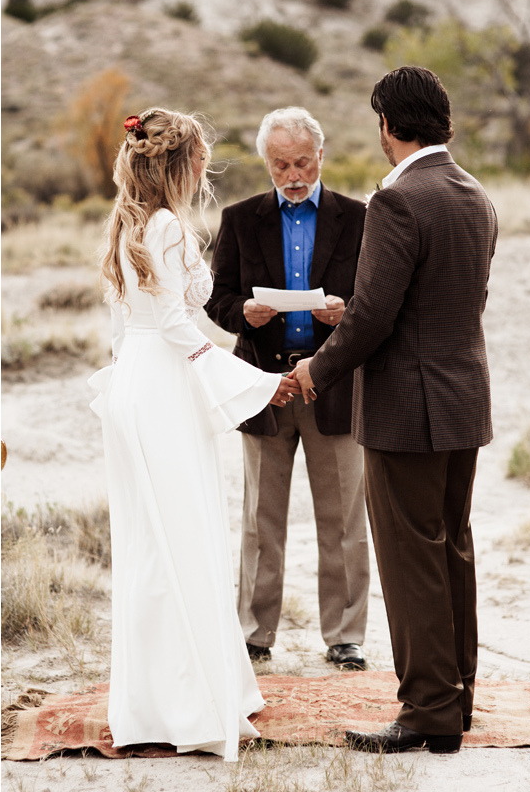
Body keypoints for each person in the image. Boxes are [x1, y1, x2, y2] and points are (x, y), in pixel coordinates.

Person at [292, 66, 497, 754]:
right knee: (452, 547)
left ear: (388, 123)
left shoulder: (398, 199)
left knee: (410, 558)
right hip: (463, 396)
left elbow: (376, 315)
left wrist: (316, 370)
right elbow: (444, 303)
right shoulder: (476, 195)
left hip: (407, 408)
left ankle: (427, 711)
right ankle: (458, 695)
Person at [89, 107, 301, 760]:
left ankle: (150, 698)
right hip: (166, 388)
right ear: (182, 166)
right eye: (202, 158)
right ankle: (190, 700)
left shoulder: (126, 225)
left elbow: (126, 329)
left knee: (149, 540)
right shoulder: (169, 228)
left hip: (133, 385)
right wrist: (253, 381)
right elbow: (181, 329)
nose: (208, 167)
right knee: (184, 533)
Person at [205, 107, 370, 670]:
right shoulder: (239, 218)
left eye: (302, 162)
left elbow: (374, 303)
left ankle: (345, 636)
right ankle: (254, 633)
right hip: (262, 386)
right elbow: (215, 296)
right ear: (266, 163)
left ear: (321, 156)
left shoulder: (361, 217)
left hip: (333, 385)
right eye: (280, 165)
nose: (293, 174)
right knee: (260, 520)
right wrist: (240, 314)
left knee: (345, 521)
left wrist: (345, 316)